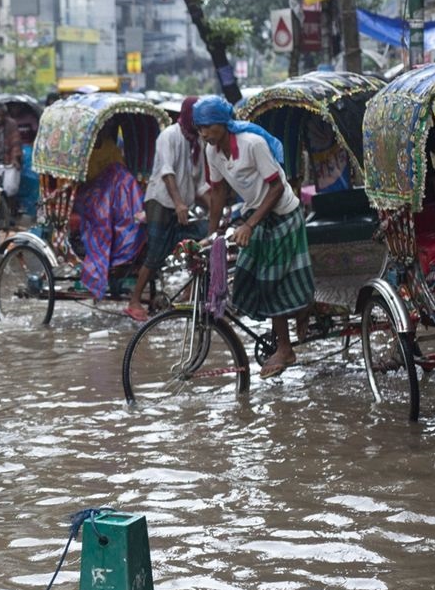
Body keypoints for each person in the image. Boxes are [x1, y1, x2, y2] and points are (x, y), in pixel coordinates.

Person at [195, 95, 313, 379]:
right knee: (248, 276)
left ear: (223, 124)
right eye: (199, 127)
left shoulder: (252, 144)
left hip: (282, 213)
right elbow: (219, 193)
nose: (203, 133)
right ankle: (297, 314)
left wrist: (249, 225)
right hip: (254, 215)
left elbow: (276, 188)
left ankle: (285, 348)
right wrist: (212, 234)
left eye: (208, 126)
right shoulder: (212, 152)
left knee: (270, 278)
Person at [125, 97, 208, 321]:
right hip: (161, 201)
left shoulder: (198, 143)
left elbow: (199, 184)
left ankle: (191, 295)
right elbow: (167, 171)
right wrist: (179, 203)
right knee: (155, 254)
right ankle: (134, 301)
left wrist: (218, 211)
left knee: (203, 241)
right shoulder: (169, 135)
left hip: (183, 205)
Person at [70, 123, 145, 300]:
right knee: (115, 181)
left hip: (111, 193)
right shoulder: (81, 149)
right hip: (87, 194)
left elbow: (120, 172)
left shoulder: (110, 145)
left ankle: (134, 222)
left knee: (121, 177)